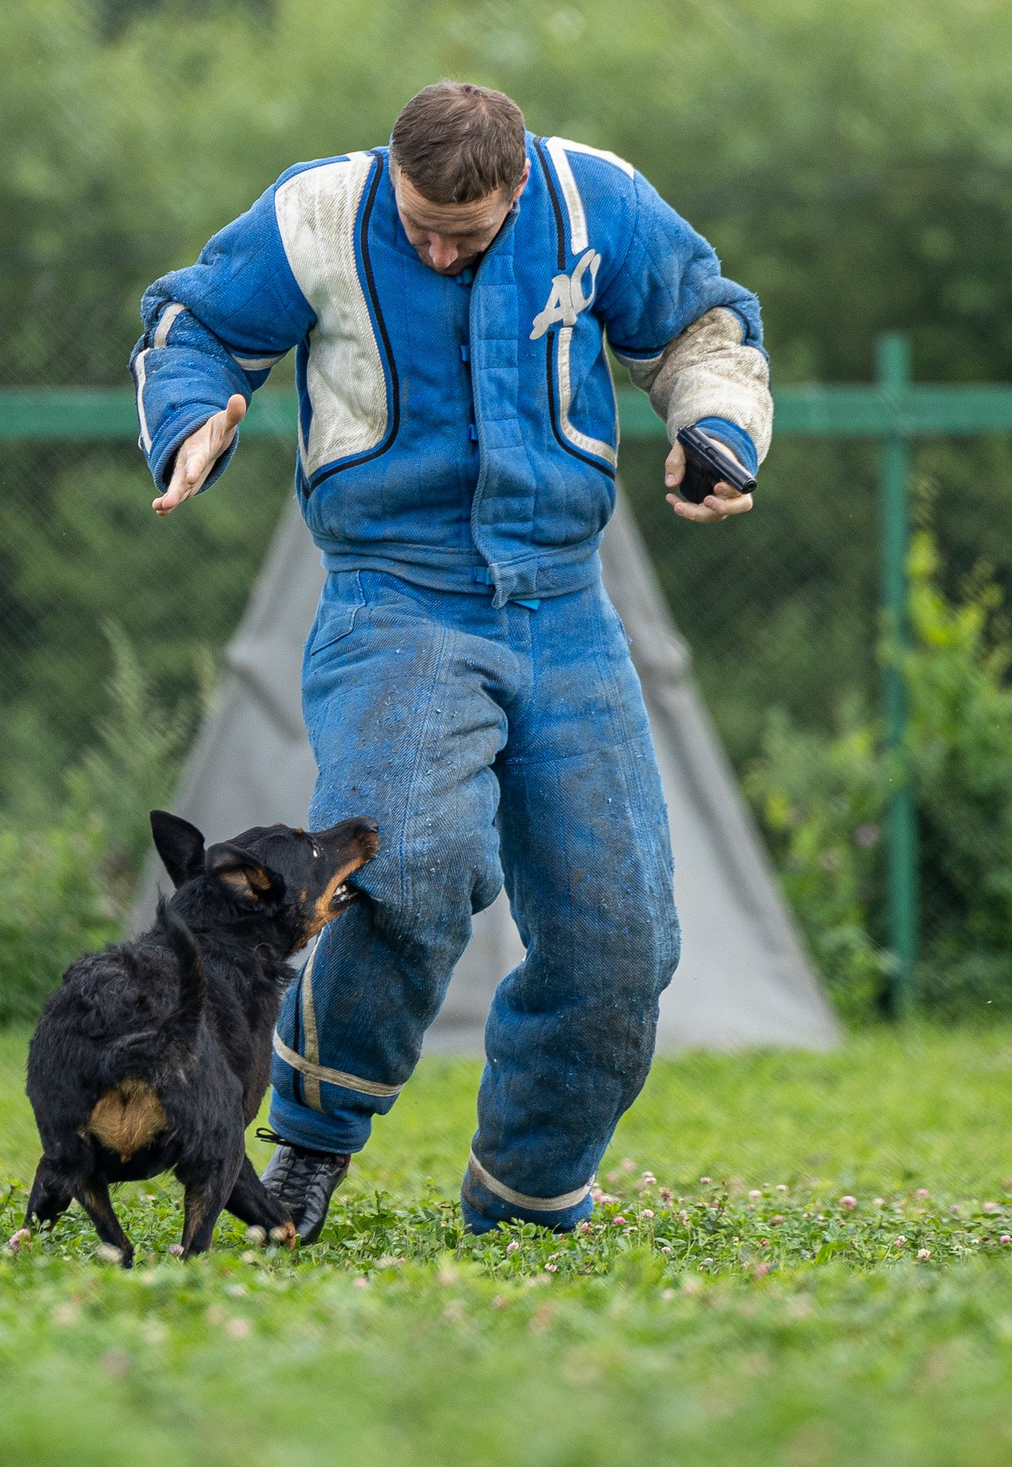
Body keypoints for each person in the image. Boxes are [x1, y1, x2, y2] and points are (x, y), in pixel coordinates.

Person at [132, 82, 769, 1239]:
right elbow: (196, 322)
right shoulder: (317, 213)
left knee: (621, 944)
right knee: (405, 863)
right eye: (418, 221)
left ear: (515, 189)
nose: (432, 248)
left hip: (568, 607)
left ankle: (526, 1197)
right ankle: (313, 1141)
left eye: (462, 237)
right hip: (396, 598)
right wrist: (197, 414)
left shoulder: (596, 203)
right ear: (395, 169)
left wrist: (711, 430)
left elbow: (697, 327)